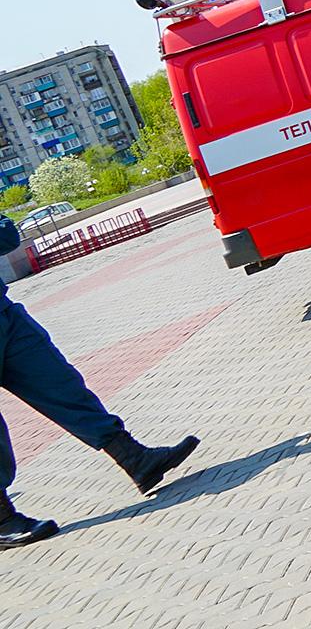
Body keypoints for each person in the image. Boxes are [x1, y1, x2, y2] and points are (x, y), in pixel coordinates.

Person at [0, 217, 199, 549]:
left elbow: (7, 236)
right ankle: (3, 518)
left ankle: (135, 458)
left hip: (5, 316)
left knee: (61, 384)